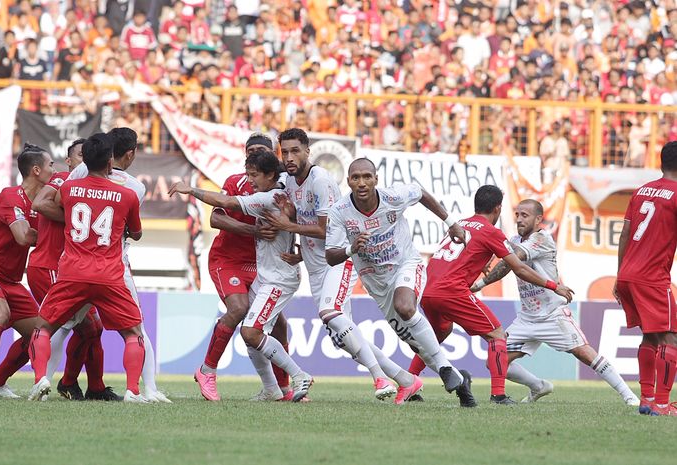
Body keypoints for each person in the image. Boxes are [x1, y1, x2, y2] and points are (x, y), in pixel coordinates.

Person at [264, 128, 418, 401]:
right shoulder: (287, 182)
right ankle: (406, 380)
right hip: (315, 266)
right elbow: (304, 224)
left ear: (307, 151)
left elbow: (328, 228)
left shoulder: (320, 180)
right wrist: (301, 251)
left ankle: (380, 379)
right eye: (284, 151)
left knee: (330, 312)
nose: (288, 157)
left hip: (339, 260)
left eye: (294, 151)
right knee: (343, 338)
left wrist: (289, 225)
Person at [324, 158, 476, 406]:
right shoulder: (340, 212)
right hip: (376, 282)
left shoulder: (394, 196)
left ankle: (447, 371)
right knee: (414, 342)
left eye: (366, 176)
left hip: (406, 264)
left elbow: (421, 194)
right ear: (348, 181)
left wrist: (451, 223)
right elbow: (331, 257)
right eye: (355, 178)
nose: (362, 183)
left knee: (406, 307)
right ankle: (458, 379)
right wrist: (351, 249)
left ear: (376, 178)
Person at [169, 149, 313, 402]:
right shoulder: (283, 193)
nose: (250, 182)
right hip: (264, 274)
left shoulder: (269, 198)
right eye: (248, 174)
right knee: (251, 329)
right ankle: (272, 388)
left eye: (254, 175)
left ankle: (298, 375)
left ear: (270, 174)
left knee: (251, 331)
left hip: (278, 278)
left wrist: (190, 190)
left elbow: (225, 203)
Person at [409, 185, 574, 404]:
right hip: (451, 291)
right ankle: (498, 395)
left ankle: (409, 384)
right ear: (497, 209)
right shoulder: (491, 231)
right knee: (497, 335)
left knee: (437, 335)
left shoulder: (459, 224)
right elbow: (520, 268)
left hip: (428, 291)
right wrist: (555, 286)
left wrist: (483, 261)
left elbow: (461, 254)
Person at [471, 199, 638, 406]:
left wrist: (496, 245)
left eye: (525, 215)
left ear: (538, 219)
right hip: (527, 318)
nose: (520, 219)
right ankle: (538, 386)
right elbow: (506, 264)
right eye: (517, 215)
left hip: (553, 314)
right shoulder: (514, 240)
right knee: (495, 362)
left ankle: (629, 396)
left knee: (585, 353)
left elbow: (517, 256)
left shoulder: (542, 239)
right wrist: (482, 280)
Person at [47, 128, 171, 403]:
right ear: (130, 153)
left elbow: (62, 203)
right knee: (136, 329)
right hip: (115, 265)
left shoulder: (79, 172)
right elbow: (132, 229)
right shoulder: (135, 188)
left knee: (62, 325)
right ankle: (147, 389)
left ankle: (42, 382)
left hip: (76, 261)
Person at [27, 133, 147, 403]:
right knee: (133, 333)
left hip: (72, 272)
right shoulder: (127, 195)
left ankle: (39, 380)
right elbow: (136, 234)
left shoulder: (69, 189)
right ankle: (133, 391)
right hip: (109, 275)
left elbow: (57, 207)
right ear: (109, 163)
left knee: (43, 328)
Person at [193, 133, 293, 402]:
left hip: (262, 265)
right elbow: (216, 218)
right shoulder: (235, 182)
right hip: (228, 261)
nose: (255, 155)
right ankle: (207, 371)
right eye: (251, 151)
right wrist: (255, 230)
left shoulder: (284, 187)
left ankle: (282, 389)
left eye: (261, 150)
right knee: (238, 309)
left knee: (278, 324)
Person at [0, 144, 54, 400]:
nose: (54, 171)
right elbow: (23, 236)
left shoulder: (42, 204)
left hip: (11, 280)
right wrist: (50, 235)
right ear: (36, 170)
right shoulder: (11, 196)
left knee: (39, 333)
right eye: (51, 165)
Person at [615, 141, 677, 416]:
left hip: (628, 275)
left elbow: (625, 233)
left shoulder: (642, 191)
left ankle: (646, 400)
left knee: (651, 338)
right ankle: (663, 405)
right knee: (672, 339)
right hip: (652, 278)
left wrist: (619, 275)